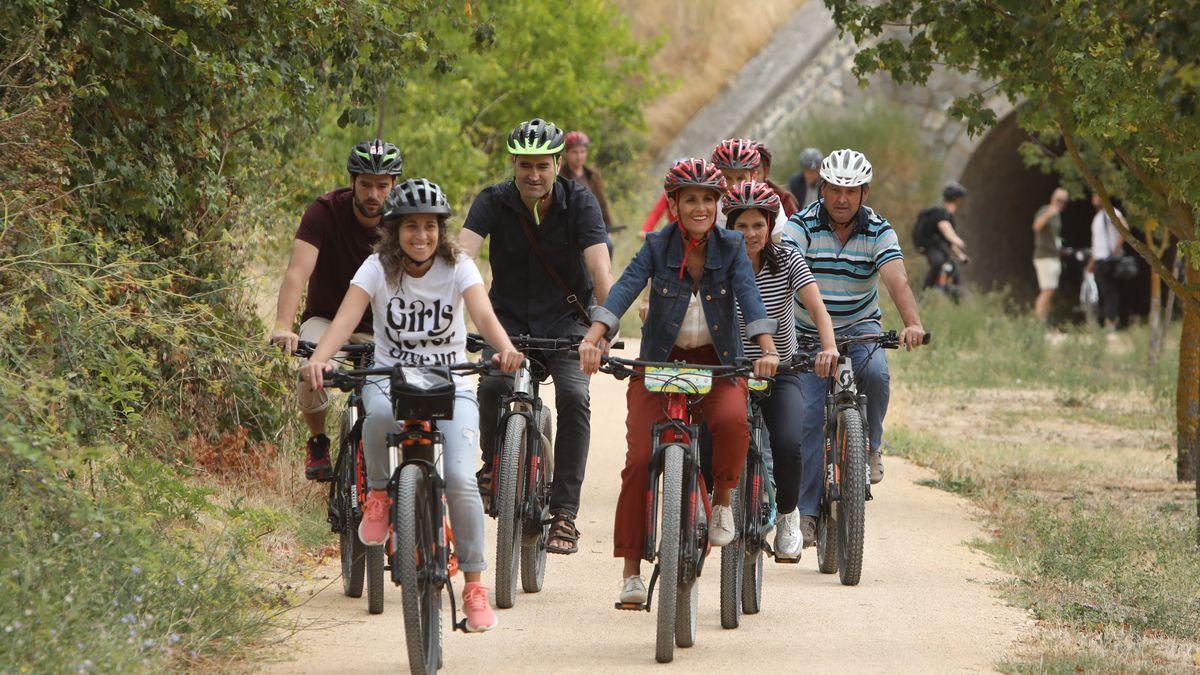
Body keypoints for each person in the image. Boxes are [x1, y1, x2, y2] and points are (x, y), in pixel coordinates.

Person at [301, 178, 523, 632]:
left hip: (451, 382)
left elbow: (483, 315)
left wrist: (504, 350)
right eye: (410, 227)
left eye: (430, 226)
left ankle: (476, 587)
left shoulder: (458, 265)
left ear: (441, 230)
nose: (421, 236)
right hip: (393, 379)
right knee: (375, 413)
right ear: (394, 230)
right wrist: (320, 360)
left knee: (461, 479)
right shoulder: (376, 267)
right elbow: (344, 320)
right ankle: (380, 495)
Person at [577, 158, 779, 606]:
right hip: (660, 363)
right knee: (636, 464)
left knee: (731, 422)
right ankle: (631, 572)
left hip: (717, 361)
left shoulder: (730, 247)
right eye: (691, 199)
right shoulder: (655, 245)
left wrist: (766, 349)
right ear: (674, 204)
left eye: (709, 198)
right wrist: (596, 339)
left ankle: (723, 500)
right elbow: (624, 289)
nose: (701, 206)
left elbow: (749, 297)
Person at [459, 118, 614, 555]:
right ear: (513, 164)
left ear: (557, 164)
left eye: (542, 166)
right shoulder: (493, 200)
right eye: (525, 165)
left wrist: (602, 330)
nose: (533, 174)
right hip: (506, 320)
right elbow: (461, 257)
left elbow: (601, 272)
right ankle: (493, 466)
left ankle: (564, 513)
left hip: (567, 323)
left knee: (573, 396)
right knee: (491, 386)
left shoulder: (580, 202)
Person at [778, 149, 926, 522]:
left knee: (876, 374)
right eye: (835, 190)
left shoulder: (879, 229)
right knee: (809, 417)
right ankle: (808, 514)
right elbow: (787, 271)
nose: (843, 199)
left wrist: (912, 323)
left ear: (865, 193)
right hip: (810, 330)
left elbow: (896, 279)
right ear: (822, 189)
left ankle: (872, 446)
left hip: (861, 327)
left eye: (853, 190)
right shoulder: (801, 225)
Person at [270, 139, 403, 481]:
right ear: (352, 181)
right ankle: (317, 440)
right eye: (366, 184)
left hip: (383, 328)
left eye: (382, 185)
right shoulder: (325, 211)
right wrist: (284, 325)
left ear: (394, 185)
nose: (374, 194)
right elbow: (298, 270)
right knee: (308, 370)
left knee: (401, 395)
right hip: (328, 320)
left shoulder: (404, 220)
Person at [721, 181, 838, 561]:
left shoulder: (787, 258)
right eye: (742, 226)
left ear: (771, 225)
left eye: (759, 225)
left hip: (781, 370)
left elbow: (817, 308)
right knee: (713, 435)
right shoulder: (718, 260)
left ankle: (788, 514)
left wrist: (829, 347)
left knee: (788, 442)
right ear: (730, 227)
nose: (751, 234)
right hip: (732, 371)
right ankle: (713, 506)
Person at [710, 138, 788, 230]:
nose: (734, 185)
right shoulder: (710, 208)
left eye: (741, 178)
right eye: (727, 178)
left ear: (754, 177)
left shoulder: (771, 203)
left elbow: (780, 242)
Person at [915, 181, 970, 292]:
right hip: (930, 246)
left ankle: (956, 302)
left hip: (941, 247)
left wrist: (961, 255)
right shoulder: (941, 213)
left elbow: (950, 243)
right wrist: (958, 240)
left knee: (954, 270)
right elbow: (946, 230)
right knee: (938, 262)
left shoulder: (949, 217)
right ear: (957, 199)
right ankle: (924, 294)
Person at [559, 130, 616, 232]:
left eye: (582, 152)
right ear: (567, 153)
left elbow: (601, 201)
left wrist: (608, 226)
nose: (579, 156)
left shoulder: (593, 174)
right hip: (569, 228)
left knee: (609, 246)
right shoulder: (560, 176)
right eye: (575, 152)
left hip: (593, 226)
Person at [1088, 192, 1128, 331]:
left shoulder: (1111, 212)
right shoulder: (1097, 217)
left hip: (1109, 260)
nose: (1095, 199)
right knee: (1103, 293)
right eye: (1094, 196)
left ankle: (1111, 323)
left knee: (1111, 292)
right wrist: (1090, 264)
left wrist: (1115, 250)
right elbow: (1097, 245)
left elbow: (1125, 229)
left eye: (1098, 196)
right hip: (1099, 261)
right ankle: (1106, 322)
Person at [1032, 187, 1068, 320]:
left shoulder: (1058, 215)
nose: (1061, 203)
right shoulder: (1045, 210)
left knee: (1050, 290)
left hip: (1054, 256)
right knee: (1046, 290)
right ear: (1053, 198)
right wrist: (1048, 214)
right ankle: (1038, 322)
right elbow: (1036, 226)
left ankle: (1044, 322)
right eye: (1059, 200)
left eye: (1064, 201)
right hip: (1044, 256)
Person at [638, 156, 689, 239]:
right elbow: (657, 212)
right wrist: (646, 230)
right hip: (676, 231)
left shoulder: (697, 192)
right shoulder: (669, 193)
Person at [751, 142, 799, 216]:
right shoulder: (728, 200)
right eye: (742, 176)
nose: (751, 180)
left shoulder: (783, 200)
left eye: (756, 173)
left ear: (766, 172)